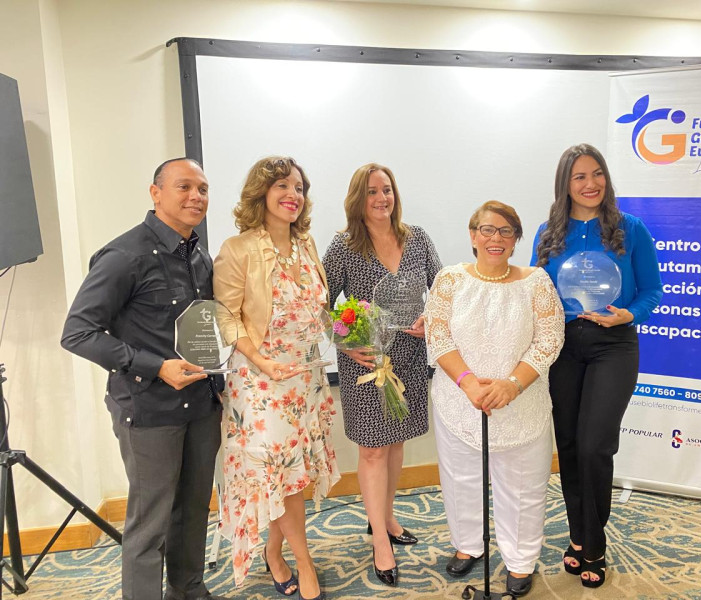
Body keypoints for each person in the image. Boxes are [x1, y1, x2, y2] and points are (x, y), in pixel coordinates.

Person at [61, 158, 227, 600]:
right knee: (149, 523)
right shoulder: (124, 256)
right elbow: (77, 333)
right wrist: (155, 367)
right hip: (149, 410)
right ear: (155, 194)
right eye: (184, 187)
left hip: (201, 407)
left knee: (192, 512)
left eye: (204, 189)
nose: (196, 197)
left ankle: (189, 590)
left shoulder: (199, 256)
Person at [533, 143, 663, 588]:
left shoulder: (631, 229)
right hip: (564, 346)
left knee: (594, 446)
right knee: (568, 444)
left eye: (597, 174)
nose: (591, 184)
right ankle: (577, 536)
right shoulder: (547, 233)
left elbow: (652, 291)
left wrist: (630, 314)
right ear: (565, 184)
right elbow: (535, 292)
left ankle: (596, 542)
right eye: (580, 177)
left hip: (614, 345)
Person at [213, 156, 339, 600]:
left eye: (300, 188)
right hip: (261, 382)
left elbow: (318, 309)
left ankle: (274, 551)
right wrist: (262, 362)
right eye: (283, 186)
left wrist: (350, 334)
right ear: (261, 193)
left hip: (303, 378)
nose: (293, 195)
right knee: (279, 474)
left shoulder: (306, 245)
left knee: (291, 478)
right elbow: (227, 318)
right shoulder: (237, 248)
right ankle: (302, 562)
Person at [425, 200, 564, 598]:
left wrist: (511, 385)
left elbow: (550, 338)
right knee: (460, 478)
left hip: (522, 402)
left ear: (516, 239)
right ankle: (468, 543)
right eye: (487, 230)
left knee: (522, 485)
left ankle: (519, 560)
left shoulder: (537, 281)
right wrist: (468, 383)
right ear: (473, 235)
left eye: (505, 231)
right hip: (459, 401)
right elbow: (438, 337)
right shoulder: (450, 280)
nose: (495, 238)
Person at [322, 163, 441, 587]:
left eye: (386, 190)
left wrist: (432, 317)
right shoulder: (344, 246)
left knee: (394, 446)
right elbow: (322, 305)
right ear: (358, 198)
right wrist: (345, 342)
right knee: (372, 451)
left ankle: (385, 519)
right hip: (367, 366)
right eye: (371, 191)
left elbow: (442, 291)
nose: (381, 198)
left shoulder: (417, 238)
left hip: (410, 359)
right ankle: (380, 545)